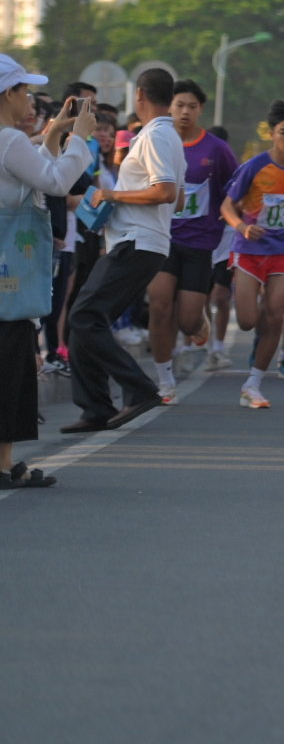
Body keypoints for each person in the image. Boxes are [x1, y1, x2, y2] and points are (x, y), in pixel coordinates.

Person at [66, 66, 184, 434]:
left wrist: (114, 194)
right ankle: (96, 407)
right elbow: (177, 200)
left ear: (139, 95)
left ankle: (141, 389)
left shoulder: (156, 137)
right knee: (88, 319)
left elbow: (166, 193)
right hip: (135, 240)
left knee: (84, 316)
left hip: (138, 241)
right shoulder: (163, 136)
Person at [0, 58, 95, 485]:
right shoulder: (8, 140)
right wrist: (80, 140)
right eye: (24, 91)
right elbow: (55, 183)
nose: (30, 99)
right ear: (7, 94)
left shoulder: (10, 143)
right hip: (10, 282)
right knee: (10, 370)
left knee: (13, 366)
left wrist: (55, 134)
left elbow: (29, 179)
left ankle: (4, 464)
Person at [221, 100, 284, 410]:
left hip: (282, 251)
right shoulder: (254, 166)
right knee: (248, 321)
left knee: (276, 315)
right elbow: (227, 206)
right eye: (283, 132)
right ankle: (257, 332)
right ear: (272, 134)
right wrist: (242, 227)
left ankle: (253, 384)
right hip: (248, 252)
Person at [147, 79, 235, 403]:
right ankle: (164, 379)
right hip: (162, 237)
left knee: (187, 321)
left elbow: (234, 190)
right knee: (158, 304)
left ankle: (198, 322)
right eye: (179, 105)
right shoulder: (156, 142)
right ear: (169, 107)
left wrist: (232, 218)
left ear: (200, 110)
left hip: (200, 242)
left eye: (192, 107)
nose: (185, 112)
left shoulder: (216, 149)